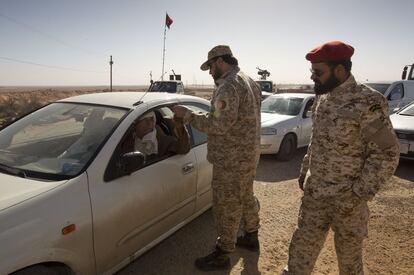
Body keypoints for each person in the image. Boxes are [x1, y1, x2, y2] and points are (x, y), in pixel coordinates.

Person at [283, 41, 400, 275]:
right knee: (299, 254)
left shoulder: (368, 102)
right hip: (315, 195)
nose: (313, 76)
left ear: (339, 70)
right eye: (312, 71)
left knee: (349, 263)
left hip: (347, 202)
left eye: (318, 72)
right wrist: (305, 170)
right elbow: (316, 140)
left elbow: (386, 153)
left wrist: (357, 194)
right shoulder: (323, 98)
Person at [173, 45, 262, 271]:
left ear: (220, 61)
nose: (210, 72)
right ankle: (251, 236)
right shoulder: (248, 81)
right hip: (247, 155)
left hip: (231, 160)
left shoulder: (228, 86)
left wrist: (188, 116)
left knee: (226, 206)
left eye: (210, 67)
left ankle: (223, 254)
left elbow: (217, 124)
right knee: (246, 196)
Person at [122, 110, 190, 159]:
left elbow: (184, 149)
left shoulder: (164, 141)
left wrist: (180, 126)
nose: (149, 123)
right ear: (136, 124)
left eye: (151, 119)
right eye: (145, 120)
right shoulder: (128, 139)